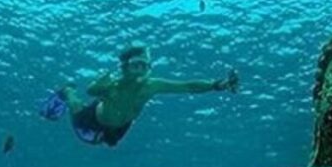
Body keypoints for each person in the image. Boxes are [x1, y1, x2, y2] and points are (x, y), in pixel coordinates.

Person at [39, 44, 239, 147]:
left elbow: (187, 86)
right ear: (125, 67)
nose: (142, 71)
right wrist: (99, 86)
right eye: (137, 65)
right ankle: (67, 90)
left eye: (146, 66)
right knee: (76, 108)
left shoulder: (152, 85)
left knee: (109, 144)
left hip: (120, 127)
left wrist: (217, 84)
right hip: (93, 119)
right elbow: (91, 91)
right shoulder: (113, 84)